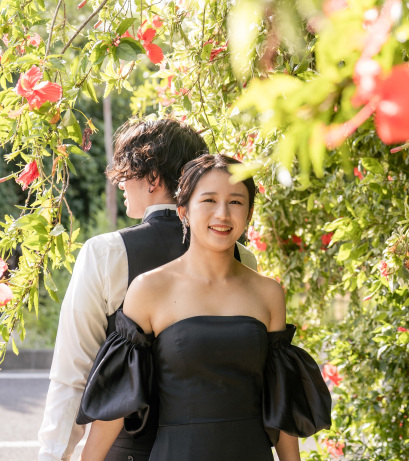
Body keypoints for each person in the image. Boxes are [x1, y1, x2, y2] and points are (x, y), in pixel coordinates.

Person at [76, 154, 331, 461]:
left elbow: (281, 404)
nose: (223, 214)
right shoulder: (148, 289)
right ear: (183, 210)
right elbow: (116, 405)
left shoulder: (268, 293)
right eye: (209, 200)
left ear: (249, 213)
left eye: (235, 202)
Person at [38, 119, 258, 461]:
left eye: (126, 172)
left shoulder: (106, 253)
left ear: (153, 177)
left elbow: (73, 374)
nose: (120, 183)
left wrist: (53, 456)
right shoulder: (241, 256)